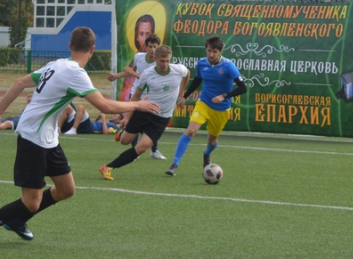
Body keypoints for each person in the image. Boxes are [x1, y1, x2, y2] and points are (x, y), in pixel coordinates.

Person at [0, 27, 159, 250]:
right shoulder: (75, 72)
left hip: (48, 137)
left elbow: (20, 82)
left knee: (66, 189)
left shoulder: (57, 64)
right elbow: (104, 106)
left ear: (70, 47)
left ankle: (18, 219)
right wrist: (137, 104)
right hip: (33, 137)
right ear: (93, 50)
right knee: (32, 202)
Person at [101, 44, 189, 180]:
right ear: (155, 59)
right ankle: (122, 133)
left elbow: (187, 74)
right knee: (124, 141)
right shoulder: (148, 74)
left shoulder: (178, 70)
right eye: (161, 61)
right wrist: (127, 118)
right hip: (145, 111)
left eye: (167, 61)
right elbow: (136, 97)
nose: (165, 64)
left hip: (162, 118)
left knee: (141, 148)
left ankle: (108, 167)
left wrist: (182, 92)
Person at [166, 35, 246, 177]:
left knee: (212, 140)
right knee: (190, 131)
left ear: (220, 51)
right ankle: (174, 164)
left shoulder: (228, 66)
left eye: (214, 51)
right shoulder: (202, 63)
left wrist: (224, 96)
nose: (211, 54)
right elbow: (197, 81)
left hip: (221, 109)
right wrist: (184, 96)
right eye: (209, 51)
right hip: (203, 103)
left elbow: (243, 88)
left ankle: (206, 154)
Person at [108, 33, 167, 159]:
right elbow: (129, 71)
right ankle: (135, 152)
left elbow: (149, 79)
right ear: (145, 46)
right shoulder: (138, 57)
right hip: (137, 95)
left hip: (152, 96)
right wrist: (116, 76)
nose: (152, 50)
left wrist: (133, 74)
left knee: (152, 121)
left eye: (155, 47)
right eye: (150, 46)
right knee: (134, 121)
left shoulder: (159, 63)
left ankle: (154, 150)